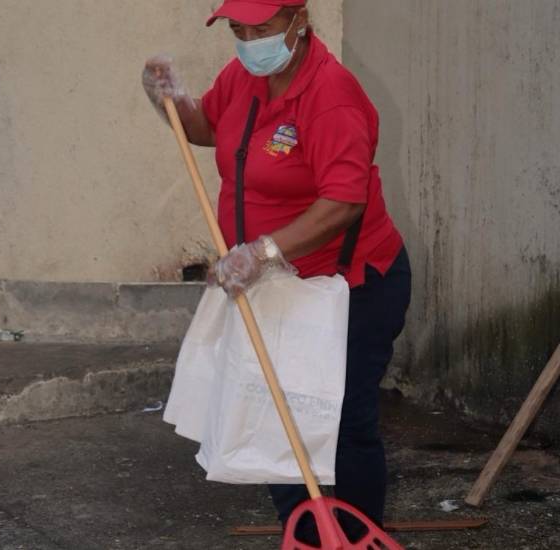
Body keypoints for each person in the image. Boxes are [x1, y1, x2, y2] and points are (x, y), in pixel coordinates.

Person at [142, 0, 412, 539]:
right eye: (238, 29)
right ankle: (306, 535)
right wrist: (172, 101)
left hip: (347, 286)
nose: (248, 41)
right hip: (274, 287)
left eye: (261, 28)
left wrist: (261, 253)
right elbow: (208, 127)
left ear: (299, 21)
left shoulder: (332, 97)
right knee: (276, 415)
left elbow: (344, 202)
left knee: (342, 422)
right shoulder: (242, 76)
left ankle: (356, 537)